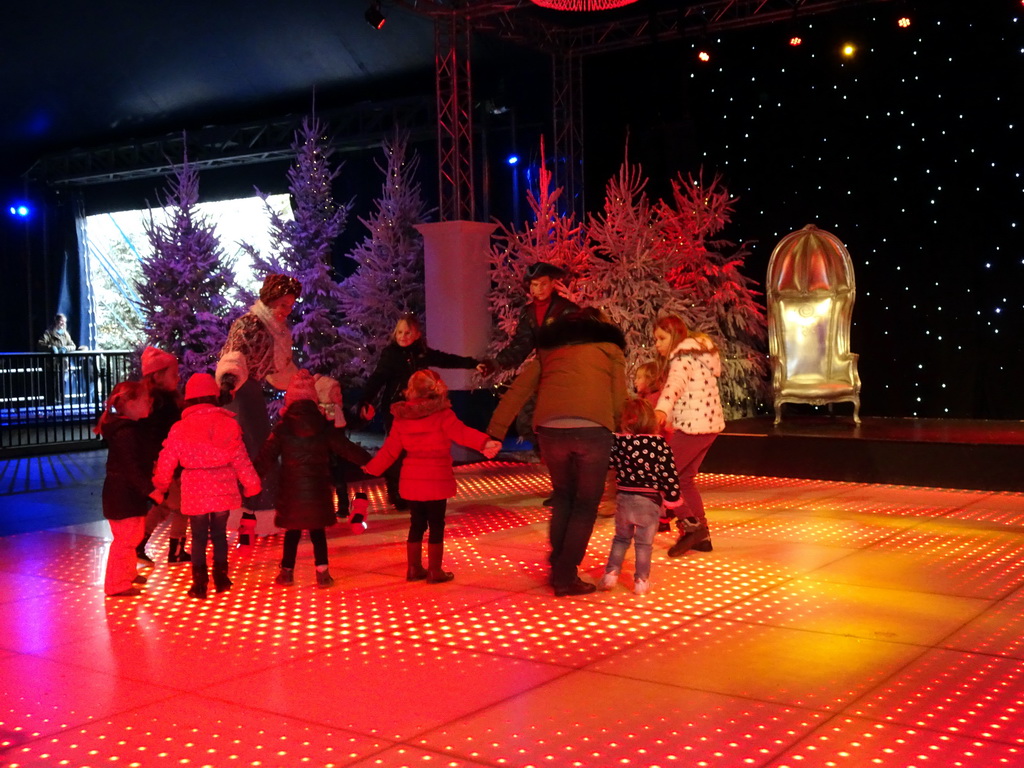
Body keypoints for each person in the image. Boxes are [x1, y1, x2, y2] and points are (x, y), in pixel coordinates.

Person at [487, 307, 627, 597]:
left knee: (563, 496)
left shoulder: (549, 352)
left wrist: (495, 432)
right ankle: (565, 575)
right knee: (586, 503)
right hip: (593, 430)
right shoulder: (610, 350)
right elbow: (618, 395)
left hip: (550, 431)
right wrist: (618, 427)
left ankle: (557, 562)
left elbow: (518, 390)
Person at [364, 370, 501, 583]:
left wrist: (372, 467)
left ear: (411, 391)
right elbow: (462, 433)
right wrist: (485, 443)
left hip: (412, 480)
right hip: (436, 477)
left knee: (416, 523)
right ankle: (435, 571)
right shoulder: (443, 416)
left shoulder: (401, 419)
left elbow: (390, 450)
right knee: (436, 523)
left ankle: (413, 568)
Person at [358, 313, 493, 510]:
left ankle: (417, 489)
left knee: (419, 451)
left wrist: (472, 363)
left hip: (421, 408)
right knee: (396, 450)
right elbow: (377, 378)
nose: (403, 336)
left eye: (407, 332)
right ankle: (397, 493)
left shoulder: (421, 352)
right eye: (400, 332)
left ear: (416, 334)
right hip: (399, 408)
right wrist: (365, 400)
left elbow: (444, 359)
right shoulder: (391, 354)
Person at [151, 373, 261, 599]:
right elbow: (241, 458)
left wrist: (160, 484)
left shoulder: (180, 428)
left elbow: (167, 460)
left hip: (195, 490)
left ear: (189, 399)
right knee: (219, 535)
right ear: (213, 396)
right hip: (222, 489)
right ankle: (221, 578)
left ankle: (199, 584)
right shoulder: (228, 424)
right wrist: (252, 485)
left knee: (199, 537)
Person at [258, 370, 372, 588]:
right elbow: (345, 448)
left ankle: (287, 572)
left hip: (292, 491)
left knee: (292, 532)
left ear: (290, 400)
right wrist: (369, 462)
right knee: (317, 533)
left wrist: (250, 479)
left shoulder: (283, 427)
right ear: (313, 399)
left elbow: (266, 455)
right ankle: (323, 573)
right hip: (317, 490)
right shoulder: (323, 427)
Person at [218, 273, 302, 545]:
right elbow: (235, 354)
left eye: (290, 305)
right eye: (282, 304)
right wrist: (229, 382)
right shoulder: (250, 324)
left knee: (259, 450)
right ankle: (253, 514)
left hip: (250, 390)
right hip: (238, 392)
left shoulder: (276, 330)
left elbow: (281, 370)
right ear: (270, 300)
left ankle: (258, 514)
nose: (286, 311)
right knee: (252, 451)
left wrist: (302, 383)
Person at [652, 315, 725, 557]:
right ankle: (701, 535)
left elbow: (675, 385)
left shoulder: (682, 358)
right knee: (683, 479)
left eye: (661, 339)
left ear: (675, 335)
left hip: (694, 427)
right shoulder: (699, 356)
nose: (657, 345)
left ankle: (691, 527)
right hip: (708, 426)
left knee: (665, 475)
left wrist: (661, 409)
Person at [493, 262, 580, 465]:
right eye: (534, 285)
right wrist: (497, 363)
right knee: (526, 413)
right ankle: (545, 453)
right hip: (544, 367)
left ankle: (566, 457)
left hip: (565, 370)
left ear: (552, 284)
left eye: (542, 284)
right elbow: (521, 345)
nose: (537, 290)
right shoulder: (529, 312)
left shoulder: (566, 310)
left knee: (562, 415)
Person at [598, 397, 682, 596]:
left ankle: (611, 574)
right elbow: (669, 475)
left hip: (624, 499)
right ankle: (641, 581)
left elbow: (608, 463)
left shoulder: (619, 443)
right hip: (649, 501)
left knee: (620, 539)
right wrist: (672, 498)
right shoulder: (660, 446)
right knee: (644, 544)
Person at [95, 381, 156, 597]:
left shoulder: (128, 430)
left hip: (125, 495)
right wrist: (150, 489)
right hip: (123, 496)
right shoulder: (126, 433)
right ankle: (117, 583)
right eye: (144, 399)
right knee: (125, 539)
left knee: (132, 536)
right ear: (129, 404)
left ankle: (127, 574)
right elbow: (132, 468)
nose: (149, 402)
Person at [136, 346, 191, 565]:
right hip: (169, 462)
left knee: (166, 505)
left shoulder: (152, 401)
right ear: (158, 375)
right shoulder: (164, 403)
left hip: (161, 462)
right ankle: (175, 550)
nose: (178, 378)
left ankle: (140, 543)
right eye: (173, 374)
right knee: (182, 506)